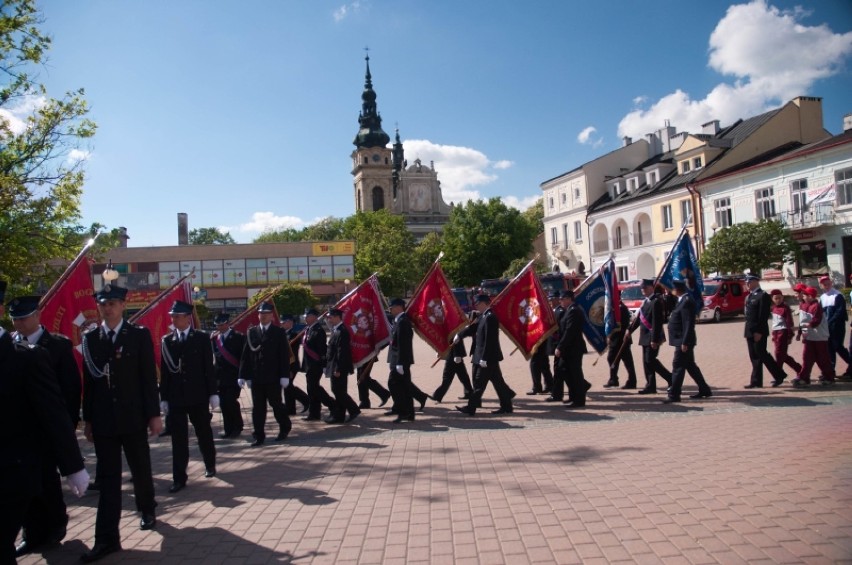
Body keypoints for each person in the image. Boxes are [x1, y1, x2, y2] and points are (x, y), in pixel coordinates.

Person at [80, 284, 162, 562]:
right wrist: (87, 419)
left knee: (140, 468)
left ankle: (147, 508)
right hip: (104, 420)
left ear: (123, 306)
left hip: (133, 416)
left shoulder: (137, 335)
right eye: (103, 303)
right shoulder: (91, 339)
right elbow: (89, 384)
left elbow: (148, 379)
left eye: (113, 303)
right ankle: (106, 539)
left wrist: (154, 414)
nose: (108, 308)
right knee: (108, 480)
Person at [2, 338, 89, 564]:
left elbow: (54, 412)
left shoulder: (25, 356)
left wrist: (73, 466)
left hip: (12, 469)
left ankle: (50, 526)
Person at [159, 300, 218, 493]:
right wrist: (164, 397)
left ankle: (209, 464)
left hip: (198, 395)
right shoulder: (167, 341)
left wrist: (212, 393)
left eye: (177, 316)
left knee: (203, 432)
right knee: (178, 439)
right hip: (176, 397)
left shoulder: (201, 338)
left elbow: (208, 368)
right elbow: (166, 371)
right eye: (172, 316)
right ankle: (179, 478)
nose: (174, 319)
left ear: (187, 318)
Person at [238, 301, 293, 447]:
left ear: (272, 316)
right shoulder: (252, 332)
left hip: (273, 377)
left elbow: (283, 355)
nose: (263, 316)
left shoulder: (278, 332)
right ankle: (259, 435)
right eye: (261, 313)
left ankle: (284, 427)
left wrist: (284, 376)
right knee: (258, 408)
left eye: (266, 314)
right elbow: (246, 355)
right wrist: (243, 375)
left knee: (276, 405)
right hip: (257, 377)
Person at [456, 294, 516, 415]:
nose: (476, 305)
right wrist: (460, 335)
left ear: (484, 303)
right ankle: (507, 406)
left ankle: (470, 408)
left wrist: (484, 358)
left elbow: (490, 340)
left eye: (477, 303)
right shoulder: (483, 316)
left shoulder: (490, 317)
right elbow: (473, 329)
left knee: (479, 383)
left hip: (487, 357)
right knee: (498, 383)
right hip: (486, 357)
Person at [663, 280, 712, 403]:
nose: (671, 291)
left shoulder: (686, 302)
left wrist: (685, 342)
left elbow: (688, 323)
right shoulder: (681, 301)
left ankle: (674, 394)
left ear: (677, 289)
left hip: (683, 341)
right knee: (690, 366)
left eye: (672, 289)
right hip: (681, 339)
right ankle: (704, 389)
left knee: (678, 366)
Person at [743, 274, 788, 388]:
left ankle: (779, 375)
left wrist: (759, 331)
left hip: (758, 331)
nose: (747, 284)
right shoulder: (749, 296)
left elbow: (763, 315)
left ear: (756, 282)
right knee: (754, 356)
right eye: (746, 282)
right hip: (749, 330)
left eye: (749, 282)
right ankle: (756, 381)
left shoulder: (762, 296)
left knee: (762, 354)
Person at [632, 279, 672, 394]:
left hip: (652, 336)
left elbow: (657, 322)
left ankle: (670, 377)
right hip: (644, 336)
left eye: (644, 288)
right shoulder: (645, 302)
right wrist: (629, 331)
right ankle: (651, 385)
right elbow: (638, 319)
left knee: (650, 360)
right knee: (646, 361)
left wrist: (654, 339)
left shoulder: (656, 302)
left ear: (651, 288)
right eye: (642, 288)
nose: (642, 290)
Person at [211, 313, 245, 439]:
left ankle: (238, 426)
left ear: (228, 323)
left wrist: (243, 375)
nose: (220, 327)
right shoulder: (215, 339)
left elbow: (243, 358)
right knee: (223, 404)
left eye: (222, 324)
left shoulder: (238, 337)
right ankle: (228, 429)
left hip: (234, 376)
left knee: (231, 401)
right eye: (218, 325)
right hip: (220, 377)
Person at [553, 290, 589, 408]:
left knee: (575, 374)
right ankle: (573, 396)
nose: (560, 301)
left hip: (574, 348)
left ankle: (579, 400)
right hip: (569, 348)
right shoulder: (569, 310)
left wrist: (560, 347)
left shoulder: (574, 311)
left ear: (569, 299)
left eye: (562, 299)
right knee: (565, 370)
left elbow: (569, 331)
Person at [794, 286, 835, 387]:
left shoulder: (816, 306)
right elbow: (802, 321)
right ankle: (804, 378)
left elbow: (816, 321)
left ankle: (829, 377)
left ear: (811, 296)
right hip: (810, 337)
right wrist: (800, 333)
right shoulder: (803, 305)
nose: (803, 296)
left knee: (822, 358)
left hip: (820, 337)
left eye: (805, 295)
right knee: (807, 358)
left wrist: (804, 327)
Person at [324, 308, 361, 423]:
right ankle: (339, 416)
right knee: (338, 391)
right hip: (335, 365)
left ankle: (353, 409)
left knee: (338, 390)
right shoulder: (336, 330)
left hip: (339, 366)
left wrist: (338, 368)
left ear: (337, 317)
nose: (329, 319)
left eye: (331, 317)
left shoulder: (342, 331)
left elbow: (342, 352)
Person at [301, 308, 337, 421]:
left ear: (314, 317)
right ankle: (314, 413)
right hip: (309, 365)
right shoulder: (309, 329)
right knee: (311, 389)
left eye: (307, 316)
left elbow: (321, 349)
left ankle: (332, 404)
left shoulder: (318, 330)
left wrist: (323, 364)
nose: (305, 318)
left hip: (315, 364)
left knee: (314, 388)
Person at [387, 298, 416, 423]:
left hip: (401, 361)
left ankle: (403, 411)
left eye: (392, 307)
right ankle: (409, 413)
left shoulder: (403, 321)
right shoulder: (399, 320)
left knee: (393, 384)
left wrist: (400, 363)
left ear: (399, 307)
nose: (390, 310)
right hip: (400, 360)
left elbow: (403, 345)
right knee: (405, 387)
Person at [432, 323, 473, 403]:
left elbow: (457, 338)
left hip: (453, 356)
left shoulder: (451, 322)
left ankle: (437, 396)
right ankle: (469, 393)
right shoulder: (445, 322)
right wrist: (439, 350)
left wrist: (457, 354)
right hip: (452, 354)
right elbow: (443, 338)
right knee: (463, 376)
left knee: (447, 378)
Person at [818, 275, 850, 374]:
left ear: (831, 283)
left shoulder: (837, 295)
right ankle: (830, 370)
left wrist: (830, 321)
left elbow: (840, 311)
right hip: (827, 327)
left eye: (828, 283)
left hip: (837, 326)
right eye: (824, 284)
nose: (826, 285)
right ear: (821, 285)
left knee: (838, 346)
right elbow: (820, 312)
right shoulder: (822, 297)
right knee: (829, 348)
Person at [769, 289, 802, 383]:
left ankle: (778, 375)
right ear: (772, 299)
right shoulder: (773, 308)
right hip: (776, 334)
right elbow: (775, 323)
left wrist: (790, 335)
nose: (778, 300)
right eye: (776, 298)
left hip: (783, 333)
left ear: (782, 297)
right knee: (783, 355)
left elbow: (789, 322)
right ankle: (799, 369)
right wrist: (773, 335)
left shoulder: (785, 308)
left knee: (779, 355)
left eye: (780, 298)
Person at [604, 300, 637, 389]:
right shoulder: (612, 308)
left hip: (622, 339)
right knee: (611, 358)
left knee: (628, 361)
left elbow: (624, 324)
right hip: (615, 340)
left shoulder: (622, 308)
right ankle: (613, 379)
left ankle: (632, 381)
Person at [281, 314, 310, 415]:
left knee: (288, 386)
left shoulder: (293, 335)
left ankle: (306, 400)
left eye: (284, 322)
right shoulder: (283, 334)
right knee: (287, 387)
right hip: (285, 366)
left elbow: (291, 354)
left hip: (291, 365)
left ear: (290, 323)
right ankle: (291, 409)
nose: (282, 324)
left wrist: (289, 369)